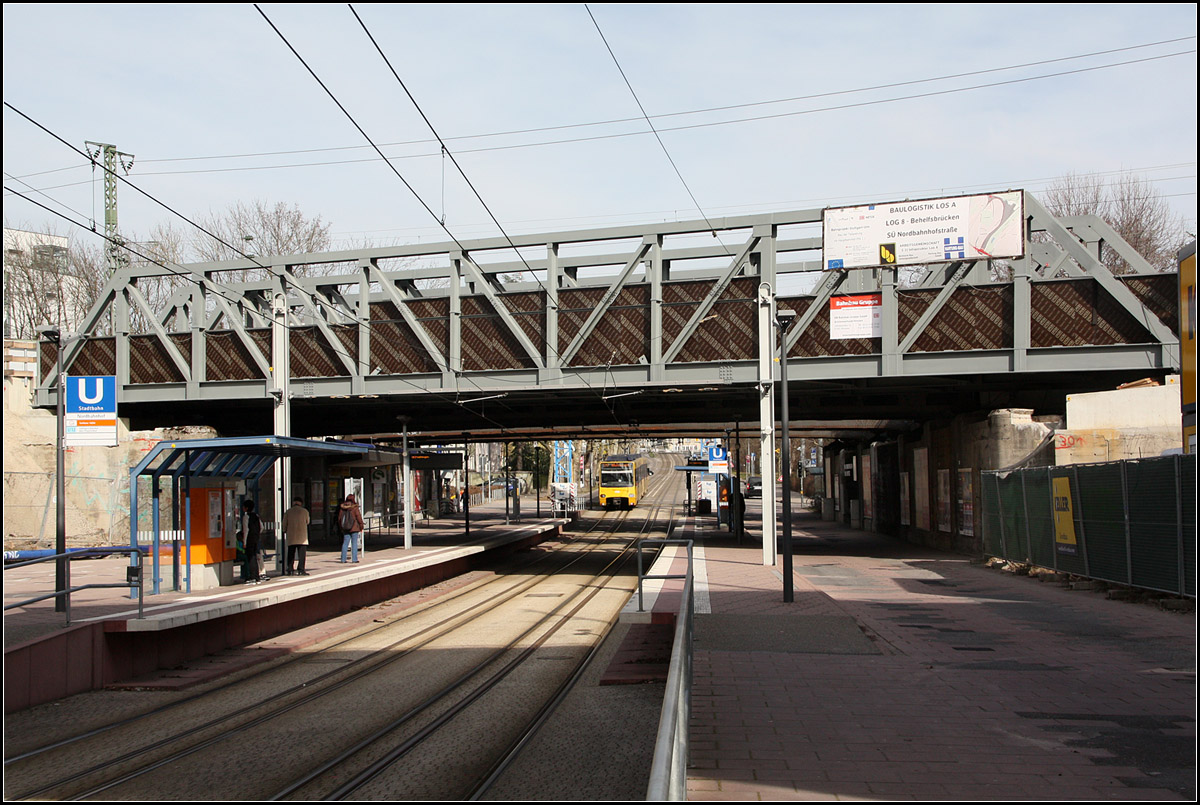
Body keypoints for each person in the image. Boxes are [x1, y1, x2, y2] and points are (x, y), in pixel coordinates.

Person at [283, 497, 310, 576]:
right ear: (301, 503)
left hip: (291, 535)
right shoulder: (305, 511)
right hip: (302, 536)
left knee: (291, 553)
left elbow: (284, 524)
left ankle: (290, 569)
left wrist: (284, 530)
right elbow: (307, 521)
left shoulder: (288, 512)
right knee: (302, 554)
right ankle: (301, 569)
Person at [240, 499, 263, 583]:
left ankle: (252, 576)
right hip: (256, 538)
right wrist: (257, 534)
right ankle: (257, 576)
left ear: (246, 508)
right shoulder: (256, 516)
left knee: (251, 557)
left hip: (249, 539)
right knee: (255, 556)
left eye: (243, 507)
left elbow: (246, 530)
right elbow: (262, 527)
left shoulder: (246, 517)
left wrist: (244, 542)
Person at [339, 494, 364, 563]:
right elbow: (358, 517)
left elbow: (340, 518)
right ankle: (354, 559)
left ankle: (343, 559)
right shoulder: (354, 508)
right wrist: (361, 525)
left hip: (345, 528)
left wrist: (342, 527)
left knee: (345, 543)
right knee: (354, 543)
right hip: (354, 527)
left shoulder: (342, 508)